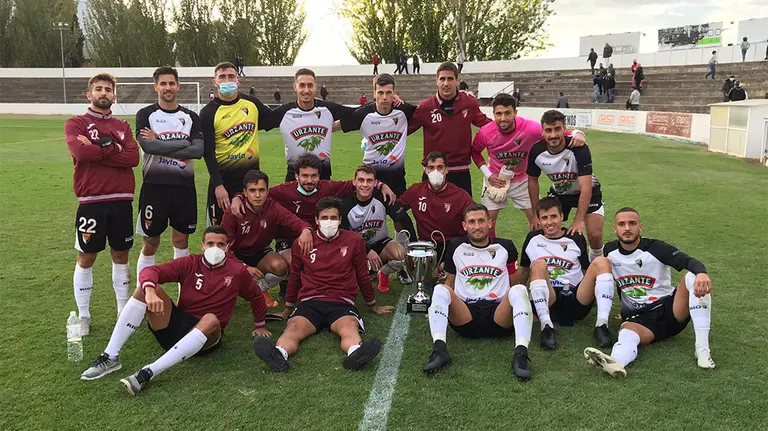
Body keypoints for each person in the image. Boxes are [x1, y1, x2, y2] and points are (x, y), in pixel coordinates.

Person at [79, 226, 271, 394]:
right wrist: (150, 291)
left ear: (227, 247)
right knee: (144, 289)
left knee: (211, 318)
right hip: (178, 325)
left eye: (220, 244)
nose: (215, 249)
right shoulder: (190, 263)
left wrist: (260, 324)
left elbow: (255, 295)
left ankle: (147, 373)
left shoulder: (237, 271)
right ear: (202, 246)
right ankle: (110, 356)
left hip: (207, 337)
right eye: (210, 244)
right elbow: (150, 272)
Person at [253, 197, 394, 372]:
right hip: (310, 300)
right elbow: (295, 276)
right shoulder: (302, 243)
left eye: (333, 218)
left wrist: (373, 304)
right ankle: (279, 355)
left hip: (341, 300)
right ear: (317, 220)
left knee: (349, 326)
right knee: (294, 327)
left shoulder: (354, 240)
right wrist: (288, 307)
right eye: (325, 218)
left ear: (340, 220)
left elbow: (362, 275)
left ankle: (356, 353)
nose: (329, 222)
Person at [229, 154, 396, 299]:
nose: (309, 180)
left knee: (331, 260)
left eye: (313, 176)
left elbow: (357, 183)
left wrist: (382, 185)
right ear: (296, 176)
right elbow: (256, 192)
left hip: (317, 236)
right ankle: (286, 289)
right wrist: (237, 197)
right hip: (288, 240)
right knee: (294, 262)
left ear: (319, 176)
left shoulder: (328, 187)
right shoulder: (282, 191)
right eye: (305, 176)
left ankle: (328, 291)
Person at [584, 207, 715, 378]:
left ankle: (703, 350)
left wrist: (702, 272)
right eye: (622, 224)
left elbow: (688, 261)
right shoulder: (610, 251)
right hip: (641, 320)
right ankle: (615, 362)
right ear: (615, 228)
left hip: (670, 309)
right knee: (626, 334)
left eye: (632, 223)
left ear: (640, 227)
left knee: (693, 277)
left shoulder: (656, 248)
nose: (627, 228)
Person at [65, 72, 140, 335]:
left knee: (121, 255)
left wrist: (98, 149)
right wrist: (114, 149)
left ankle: (123, 312)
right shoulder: (76, 124)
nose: (104, 93)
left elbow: (133, 158)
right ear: (90, 95)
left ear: (114, 95)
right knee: (86, 257)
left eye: (108, 89)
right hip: (91, 201)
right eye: (99, 89)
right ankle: (84, 316)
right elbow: (81, 152)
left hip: (121, 200)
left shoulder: (123, 126)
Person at [423, 204, 533, 379]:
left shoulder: (506, 246)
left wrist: (522, 309)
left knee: (519, 290)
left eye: (481, 221)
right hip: (466, 315)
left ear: (489, 223)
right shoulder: (456, 246)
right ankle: (439, 350)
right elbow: (450, 280)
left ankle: (521, 354)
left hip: (499, 315)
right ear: (464, 225)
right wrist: (439, 307)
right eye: (472, 222)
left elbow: (514, 282)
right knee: (440, 289)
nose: (477, 226)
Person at [472, 93, 586, 237]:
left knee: (537, 222)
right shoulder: (485, 132)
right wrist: (488, 175)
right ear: (493, 114)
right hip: (497, 180)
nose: (503, 118)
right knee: (487, 223)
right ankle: (493, 256)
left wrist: (577, 132)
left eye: (508, 113)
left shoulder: (530, 129)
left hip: (523, 180)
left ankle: (537, 254)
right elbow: (475, 152)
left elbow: (553, 133)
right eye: (499, 114)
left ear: (515, 112)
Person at [134, 66, 204, 294]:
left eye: (171, 83)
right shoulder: (146, 114)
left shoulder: (191, 117)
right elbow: (147, 145)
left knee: (181, 240)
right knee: (151, 241)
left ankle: (183, 296)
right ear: (156, 87)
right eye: (163, 84)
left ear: (178, 86)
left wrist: (161, 144)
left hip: (184, 189)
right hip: (155, 188)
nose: (167, 88)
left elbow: (198, 151)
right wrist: (184, 144)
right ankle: (143, 293)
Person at [513, 197, 614, 350]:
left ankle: (602, 325)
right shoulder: (532, 238)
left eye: (553, 216)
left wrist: (595, 296)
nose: (549, 222)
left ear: (561, 216)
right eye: (544, 218)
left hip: (575, 299)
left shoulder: (575, 237)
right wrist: (516, 300)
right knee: (539, 264)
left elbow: (587, 271)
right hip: (547, 299)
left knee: (602, 262)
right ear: (538, 220)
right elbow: (525, 271)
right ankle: (546, 328)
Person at [221, 170, 314, 307]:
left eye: (261, 190)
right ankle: (233, 288)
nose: (257, 195)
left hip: (260, 252)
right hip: (234, 255)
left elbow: (294, 221)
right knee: (226, 294)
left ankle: (261, 290)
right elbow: (223, 247)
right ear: (245, 193)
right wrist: (243, 267)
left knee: (280, 266)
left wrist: (306, 229)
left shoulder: (273, 207)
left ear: (267, 191)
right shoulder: (234, 211)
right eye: (252, 191)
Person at [200, 62, 272, 226]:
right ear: (215, 81)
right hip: (223, 183)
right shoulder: (208, 112)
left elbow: (273, 119)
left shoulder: (252, 103)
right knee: (219, 234)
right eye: (222, 77)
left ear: (238, 80)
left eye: (231, 76)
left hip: (251, 183)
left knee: (251, 231)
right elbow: (208, 152)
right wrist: (218, 185)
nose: (227, 80)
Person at [527, 110, 605, 262]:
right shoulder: (536, 151)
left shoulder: (579, 148)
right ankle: (554, 262)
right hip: (560, 194)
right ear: (542, 132)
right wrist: (535, 213)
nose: (553, 135)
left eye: (557, 129)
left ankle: (596, 266)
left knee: (594, 235)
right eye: (548, 130)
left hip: (589, 191)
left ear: (564, 129)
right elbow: (532, 180)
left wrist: (578, 220)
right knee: (544, 227)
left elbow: (586, 186)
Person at [409, 62, 491, 196]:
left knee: (464, 215)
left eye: (450, 79)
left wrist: (512, 127)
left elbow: (487, 124)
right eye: (442, 79)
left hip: (461, 171)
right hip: (434, 171)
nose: (446, 83)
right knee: (431, 214)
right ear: (436, 81)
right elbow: (404, 129)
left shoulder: (469, 103)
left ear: (457, 81)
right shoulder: (425, 107)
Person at [267, 68, 357, 182]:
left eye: (310, 85)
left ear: (315, 86)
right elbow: (260, 120)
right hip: (294, 176)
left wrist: (338, 126)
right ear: (295, 87)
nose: (306, 90)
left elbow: (356, 115)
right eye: (302, 85)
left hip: (323, 175)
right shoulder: (283, 112)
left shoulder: (327, 108)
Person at [336, 73, 416, 197]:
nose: (384, 97)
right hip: (370, 178)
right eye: (380, 92)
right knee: (372, 214)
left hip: (397, 178)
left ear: (394, 93)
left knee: (402, 215)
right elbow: (334, 126)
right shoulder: (363, 114)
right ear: (374, 93)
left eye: (388, 92)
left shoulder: (404, 111)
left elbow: (427, 112)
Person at [341, 165, 413, 292]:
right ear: (354, 182)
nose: (365, 185)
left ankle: (383, 273)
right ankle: (368, 269)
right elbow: (344, 236)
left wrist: (414, 246)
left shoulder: (382, 196)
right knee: (349, 278)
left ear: (375, 183)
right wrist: (367, 251)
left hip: (381, 244)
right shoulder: (345, 204)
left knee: (401, 255)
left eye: (369, 181)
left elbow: (403, 218)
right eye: (361, 180)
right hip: (356, 247)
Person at [397, 151, 475, 265]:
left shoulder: (460, 195)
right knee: (426, 279)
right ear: (425, 170)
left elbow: (475, 215)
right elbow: (396, 209)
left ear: (446, 170)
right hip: (425, 245)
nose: (435, 171)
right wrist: (404, 241)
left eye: (440, 167)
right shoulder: (415, 191)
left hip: (452, 244)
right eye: (431, 167)